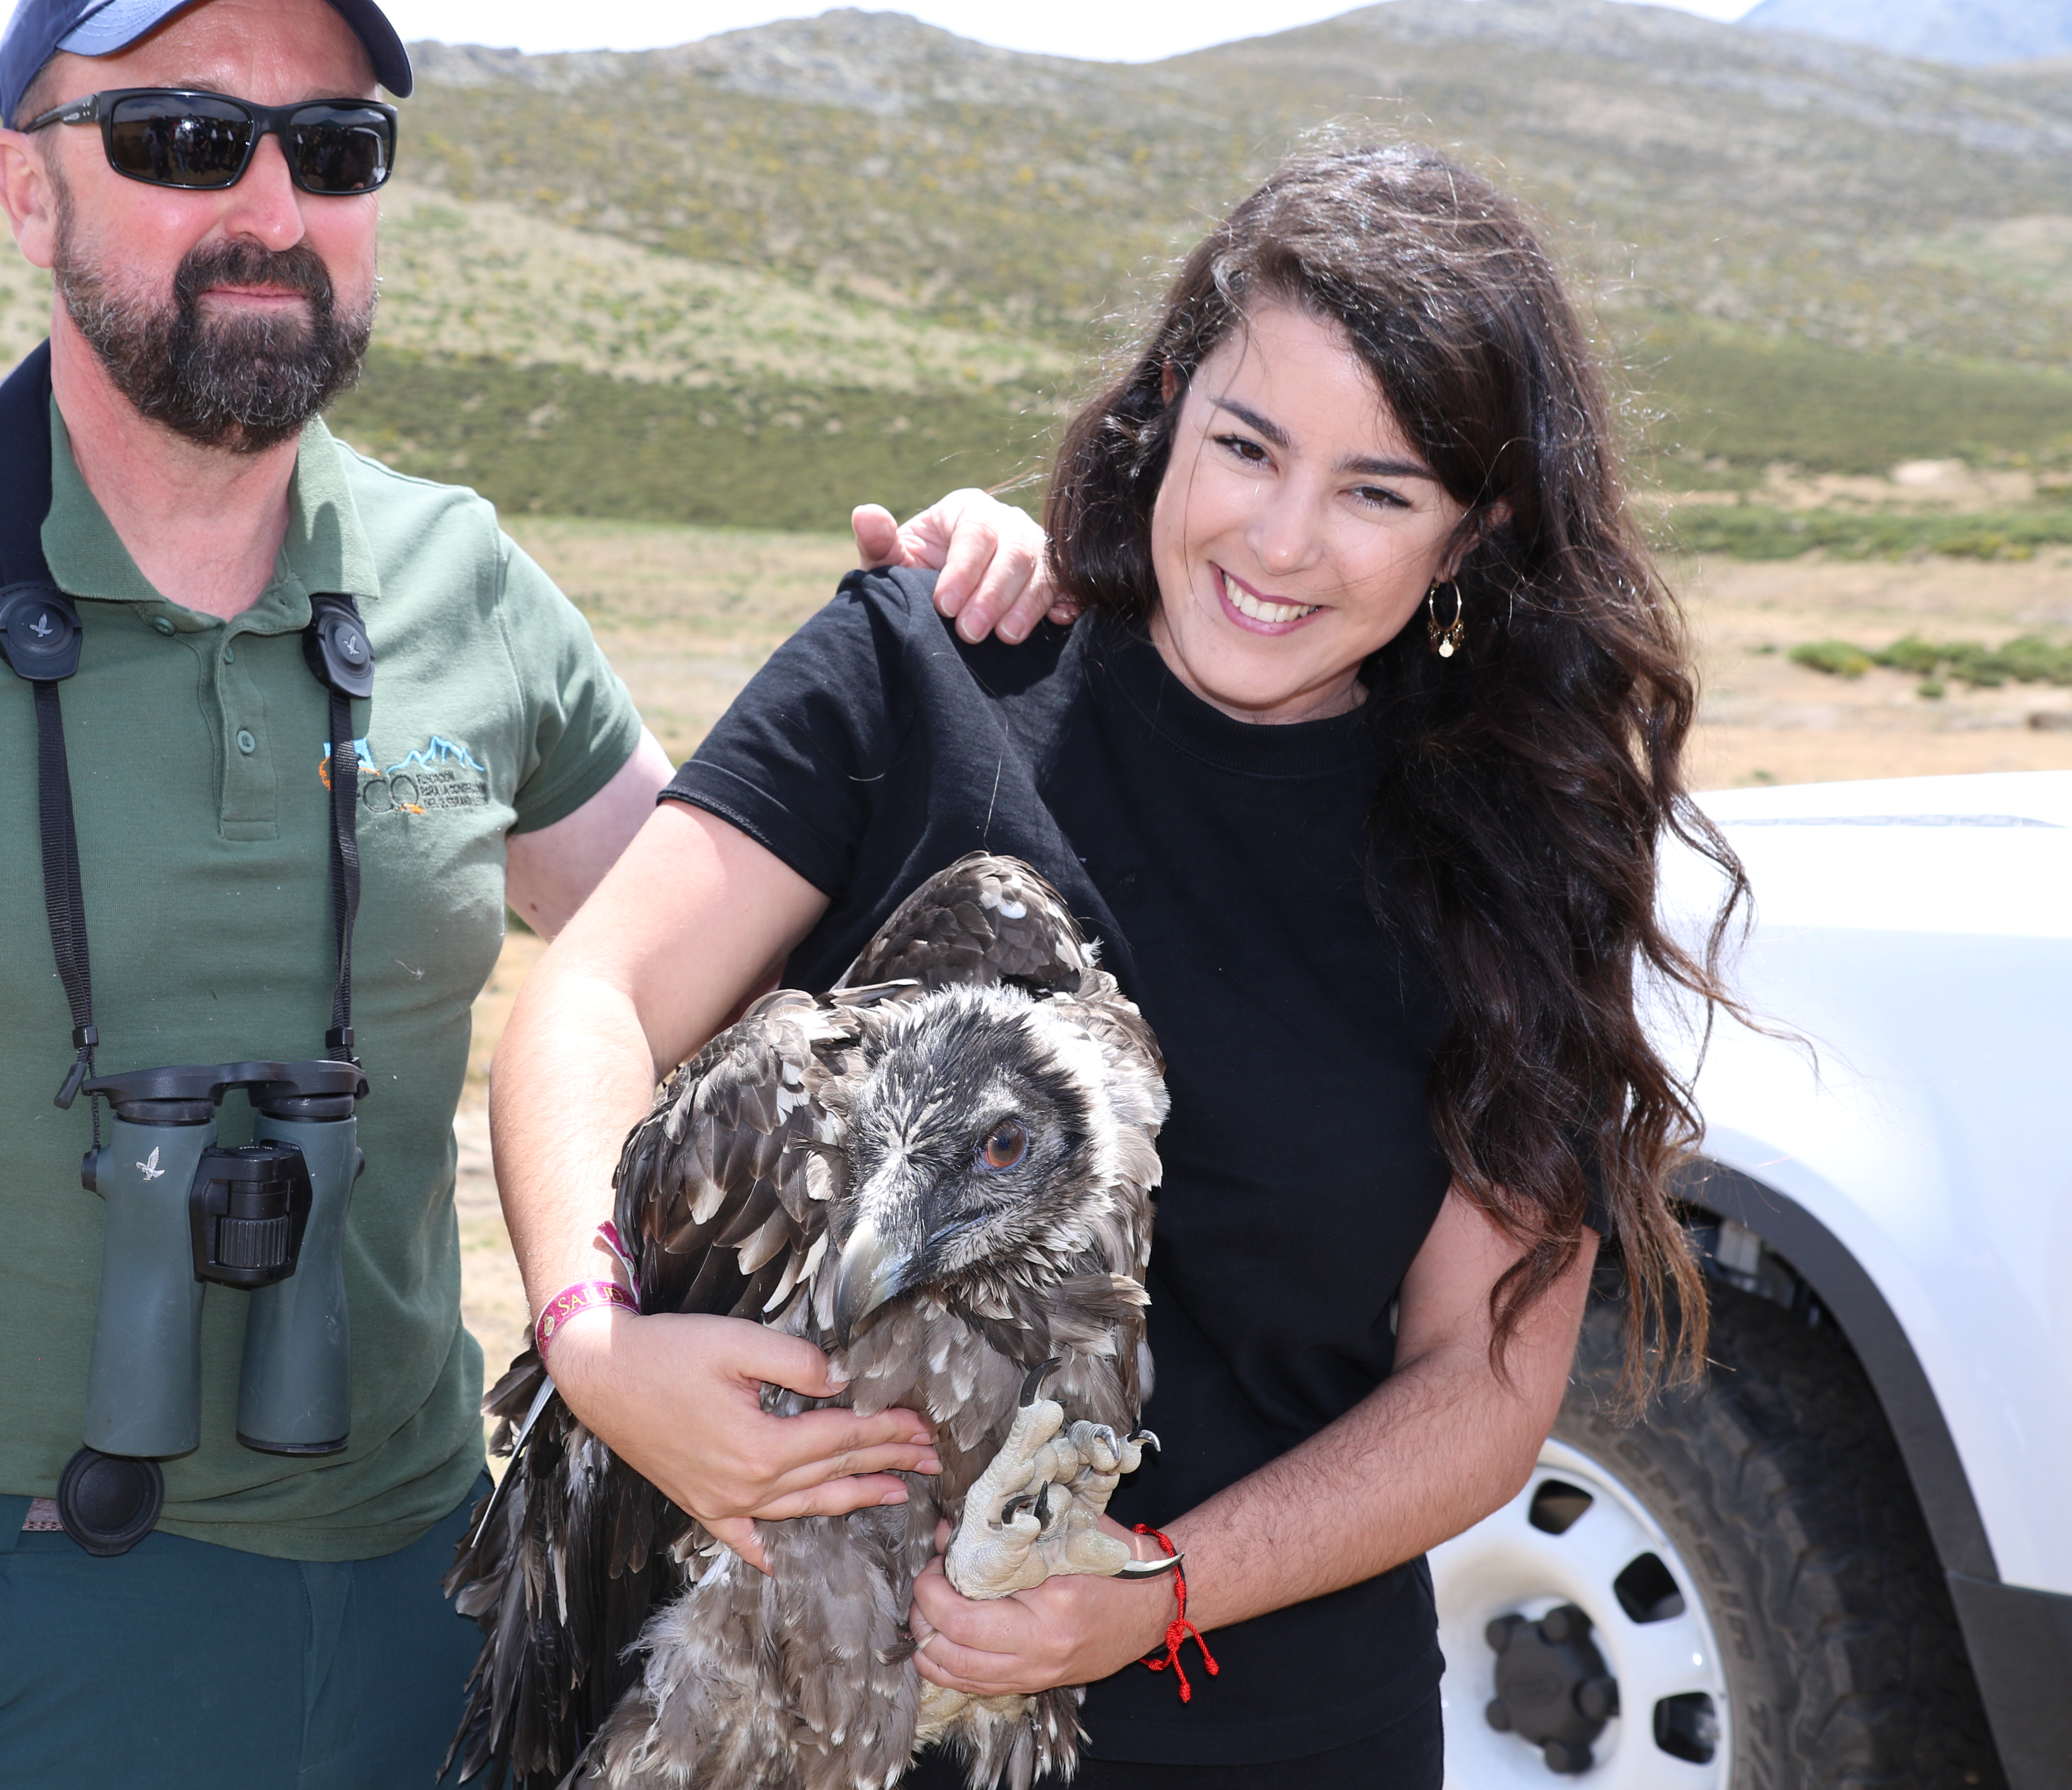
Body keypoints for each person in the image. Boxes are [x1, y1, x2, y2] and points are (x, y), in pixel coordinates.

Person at [0, 0, 1054, 1784]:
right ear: (24, 189)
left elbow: (760, 990)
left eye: (334, 150)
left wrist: (937, 647)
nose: (270, 204)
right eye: (177, 139)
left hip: (434, 1610)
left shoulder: (462, 581)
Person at [490, 144, 1745, 1786]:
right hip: (782, 1721)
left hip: (1276, 1730)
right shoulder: (926, 667)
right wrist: (596, 1343)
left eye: (1379, 491)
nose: (1283, 541)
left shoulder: (1516, 851)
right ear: (1168, 403)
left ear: (1473, 533)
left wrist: (1157, 1594)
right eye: (1246, 445)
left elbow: (1482, 1390)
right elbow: (595, 996)